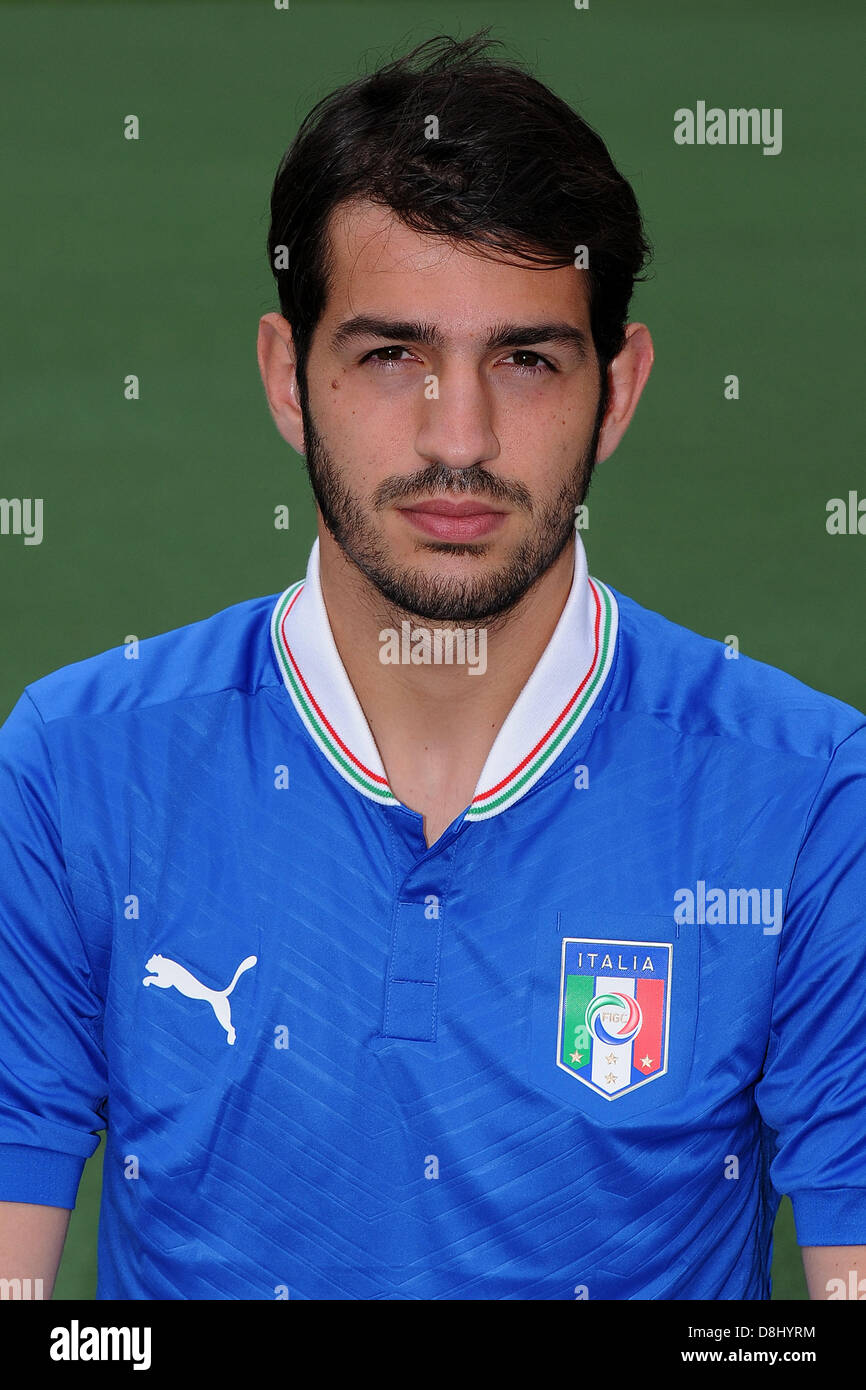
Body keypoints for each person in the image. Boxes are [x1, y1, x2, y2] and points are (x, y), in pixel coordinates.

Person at [0, 32, 864, 1301]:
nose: (456, 439)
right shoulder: (73, 769)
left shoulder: (805, 799)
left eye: (523, 360)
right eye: (390, 354)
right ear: (288, 380)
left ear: (615, 393)